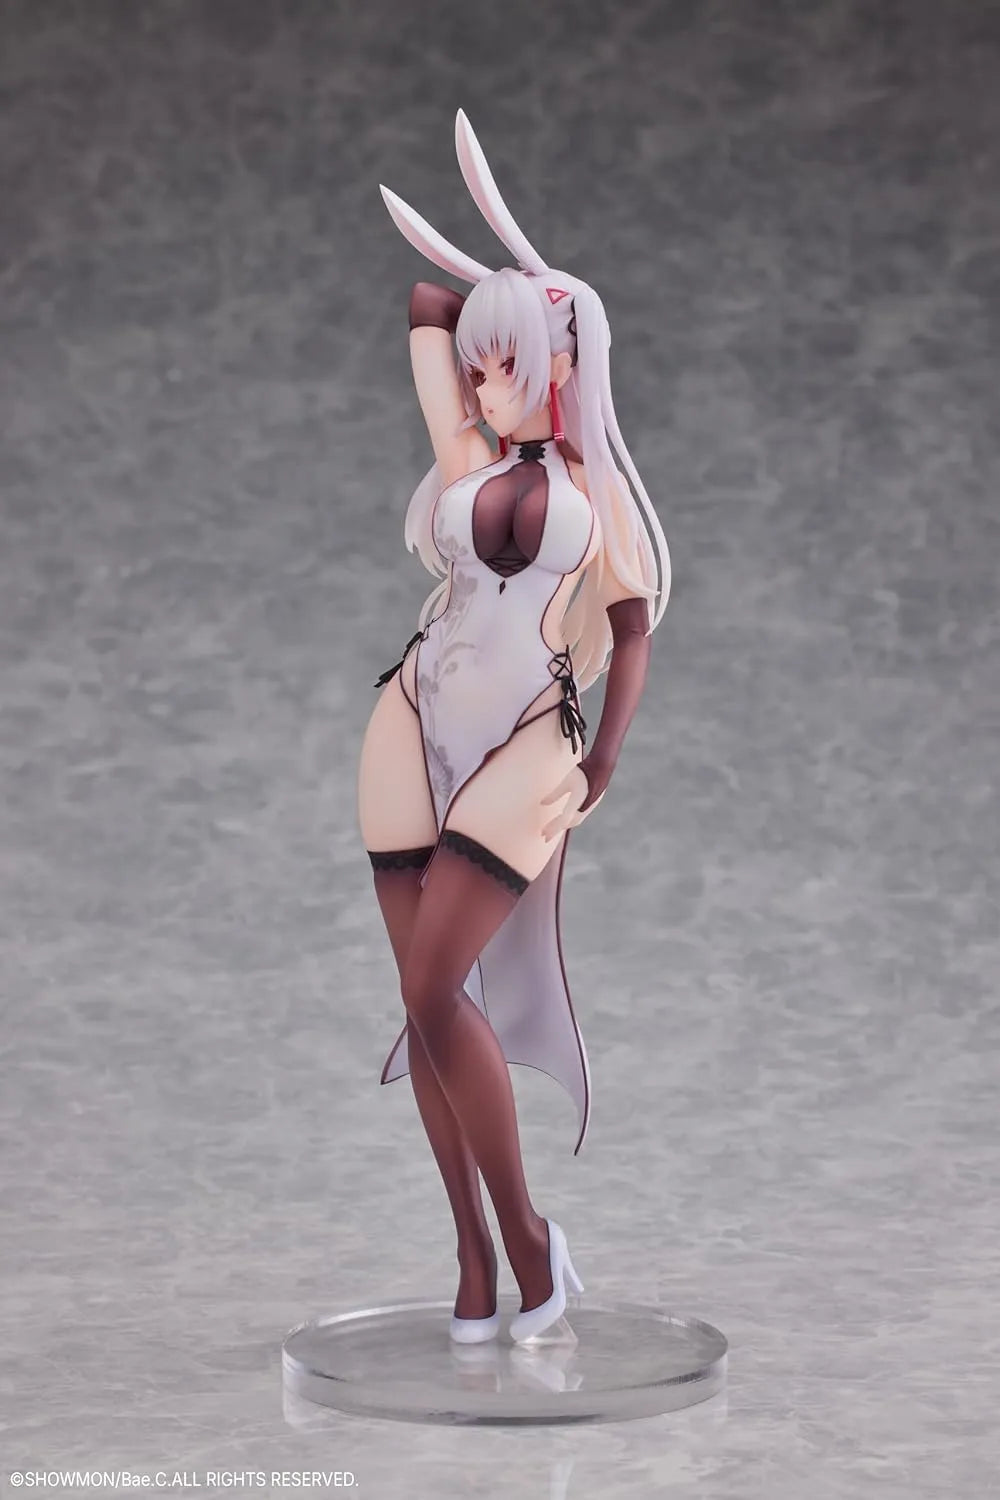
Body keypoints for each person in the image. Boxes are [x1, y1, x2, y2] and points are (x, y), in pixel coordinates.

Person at [356, 111, 671, 1345]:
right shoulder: (467, 460)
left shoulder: (598, 497)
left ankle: (532, 1241)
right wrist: (506, 299)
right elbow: (426, 302)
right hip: (412, 718)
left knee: (437, 987)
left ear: (559, 360)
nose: (486, 382)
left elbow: (631, 633)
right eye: (482, 368)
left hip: (530, 739)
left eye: (508, 362)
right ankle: (472, 1260)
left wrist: (606, 756)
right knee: (421, 997)